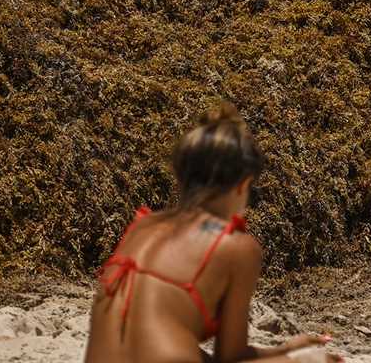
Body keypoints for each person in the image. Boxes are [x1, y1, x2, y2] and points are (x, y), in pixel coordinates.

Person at [85, 102, 342, 363]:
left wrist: (285, 347)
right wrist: (298, 356)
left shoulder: (142, 225)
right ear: (243, 185)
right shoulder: (235, 246)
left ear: (182, 177)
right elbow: (231, 357)